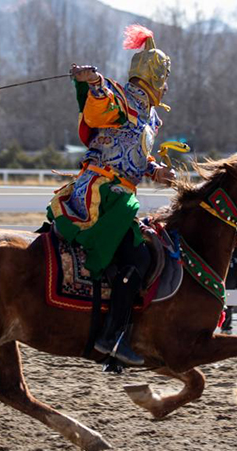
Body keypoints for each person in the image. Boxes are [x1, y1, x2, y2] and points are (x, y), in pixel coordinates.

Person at [47, 24, 176, 367]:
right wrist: (94, 83)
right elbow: (98, 109)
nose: (165, 85)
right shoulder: (123, 97)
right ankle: (111, 338)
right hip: (101, 194)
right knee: (137, 258)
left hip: (122, 194)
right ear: (154, 77)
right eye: (163, 78)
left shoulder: (149, 116)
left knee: (140, 255)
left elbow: (135, 155)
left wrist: (156, 171)